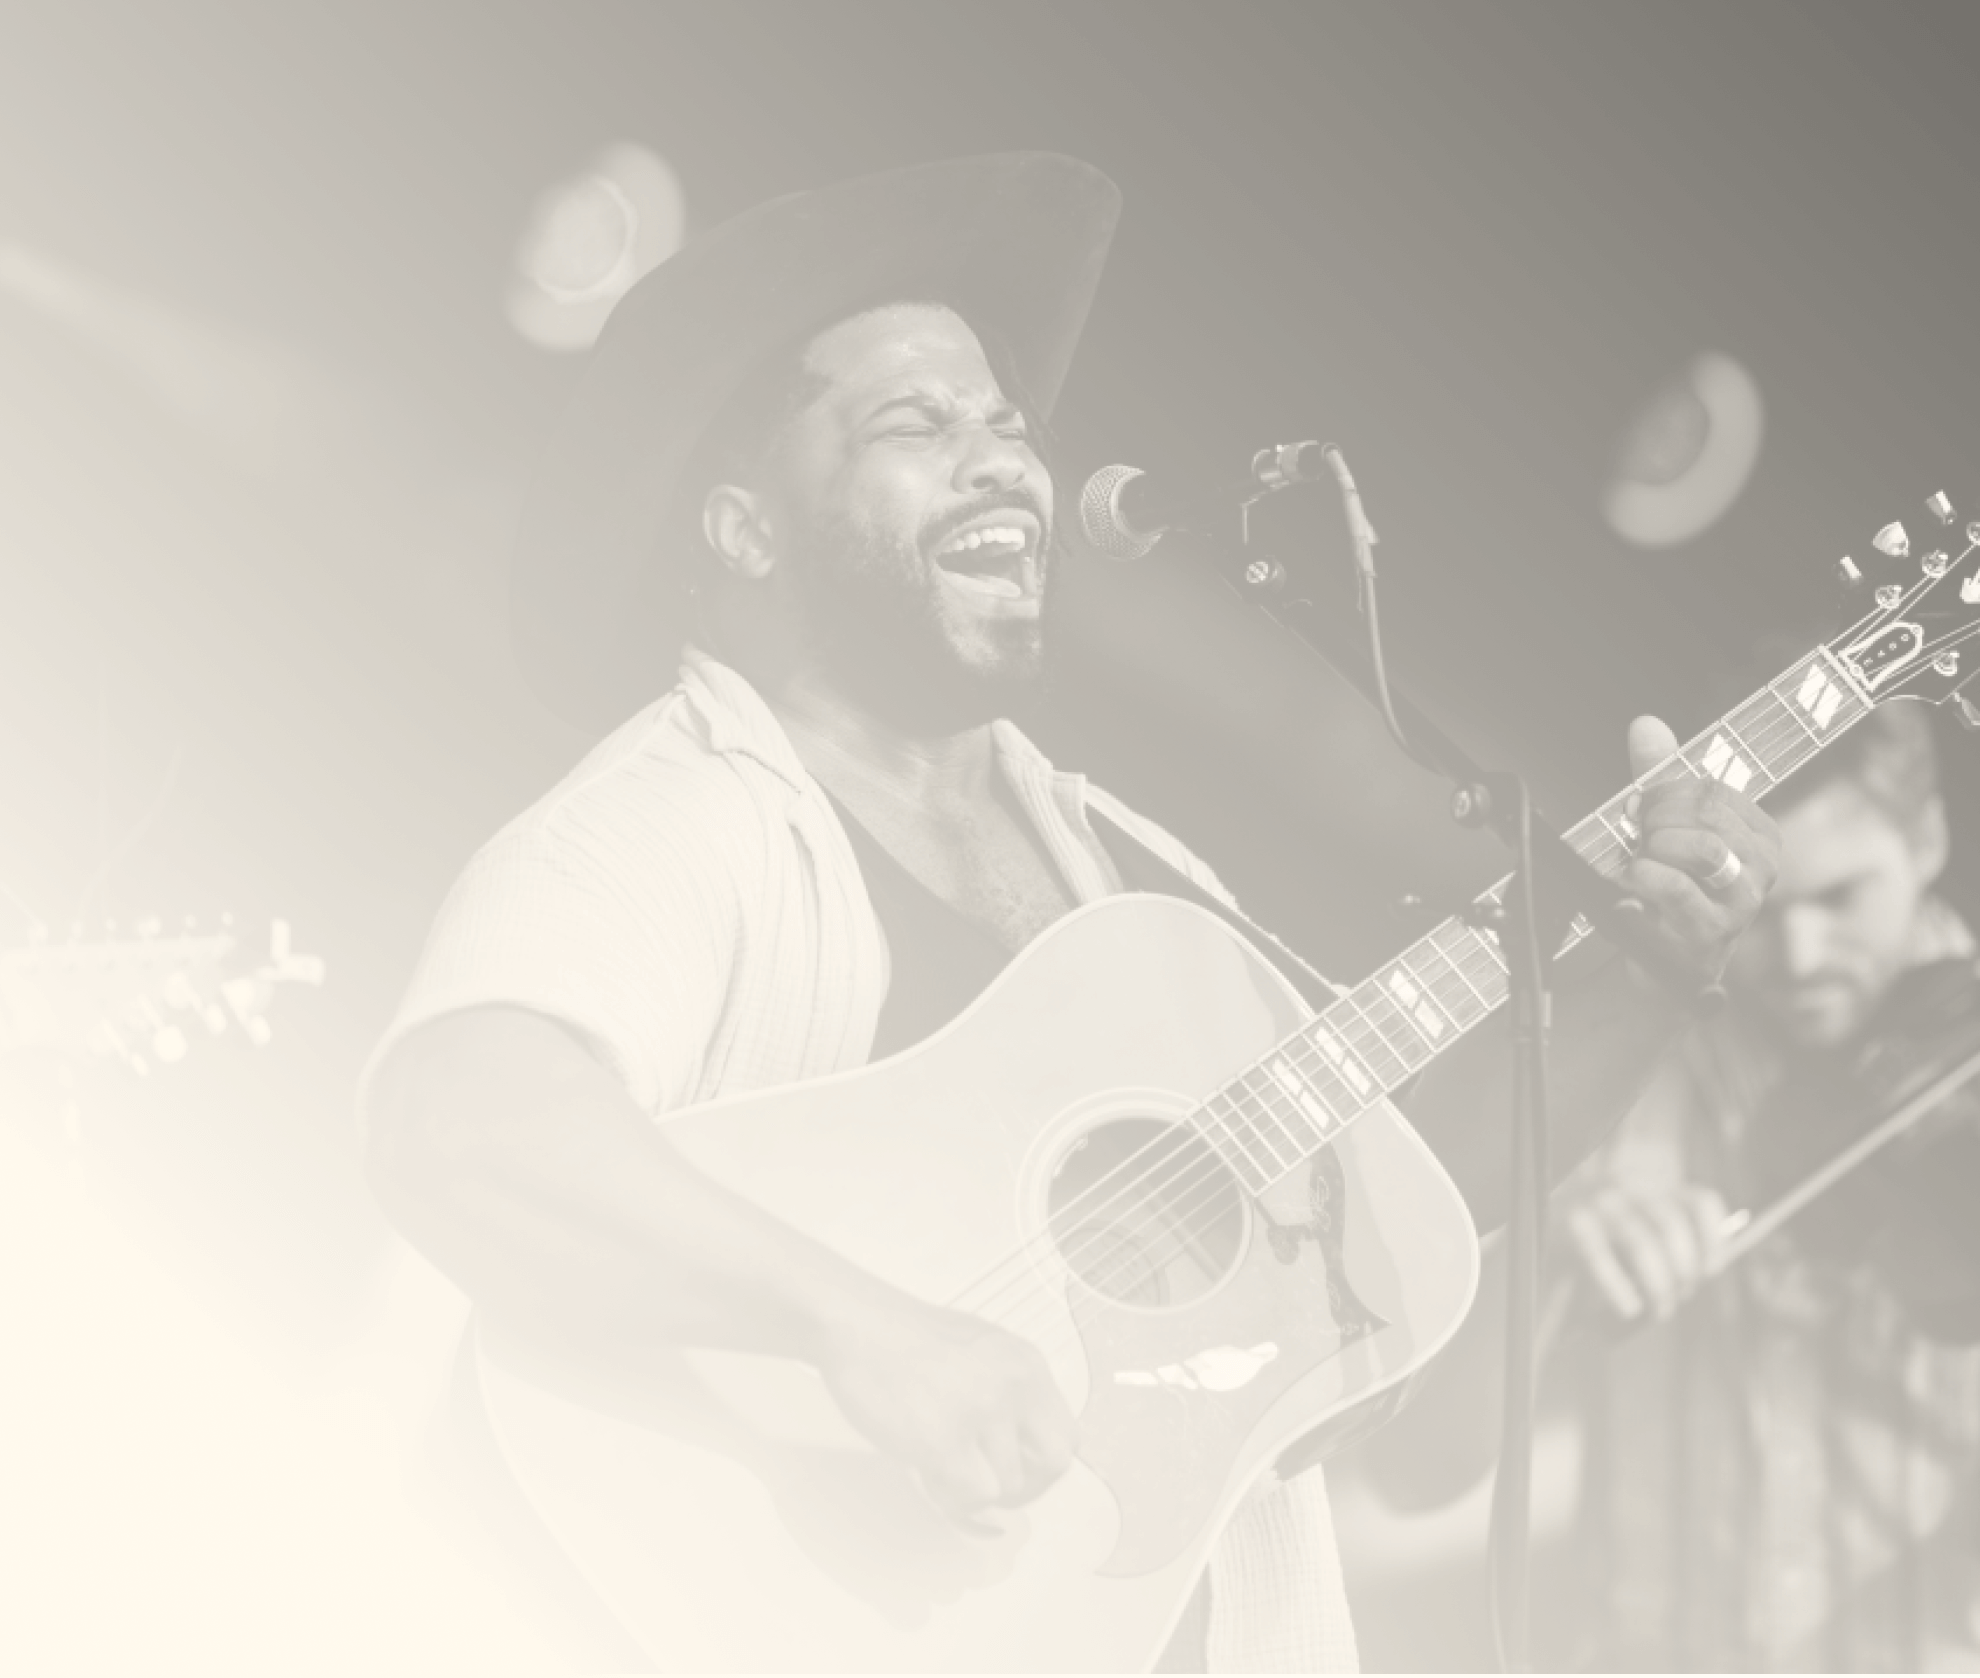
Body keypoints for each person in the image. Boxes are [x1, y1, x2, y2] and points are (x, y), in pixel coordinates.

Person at [359, 153, 1779, 1672]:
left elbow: (1400, 1205)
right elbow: (462, 1127)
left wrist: (1639, 976)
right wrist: (864, 1328)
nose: (1000, 460)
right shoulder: (671, 820)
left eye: (1007, 424)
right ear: (744, 530)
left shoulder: (1140, 873)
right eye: (915, 423)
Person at [1554, 701, 1980, 1671]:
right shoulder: (1621, 1061)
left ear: (1925, 837)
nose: (1794, 960)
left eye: (1840, 898)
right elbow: (1414, 1474)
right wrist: (1549, 1242)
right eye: (1766, 914)